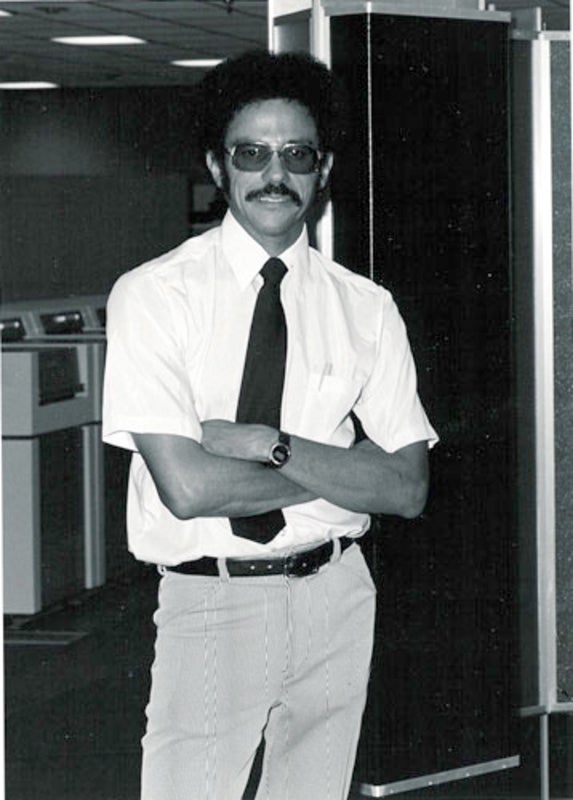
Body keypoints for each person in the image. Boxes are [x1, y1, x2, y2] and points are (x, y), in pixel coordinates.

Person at [102, 49, 437, 800]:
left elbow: (408, 486)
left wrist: (263, 444)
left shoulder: (365, 307)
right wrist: (341, 475)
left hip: (337, 596)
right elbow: (187, 490)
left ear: (322, 172)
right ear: (219, 168)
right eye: (251, 154)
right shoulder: (155, 297)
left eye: (296, 154)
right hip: (212, 601)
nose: (274, 174)